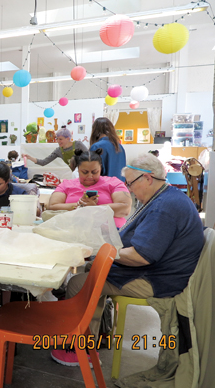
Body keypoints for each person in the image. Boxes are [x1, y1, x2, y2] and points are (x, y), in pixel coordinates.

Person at [51, 154, 204, 367]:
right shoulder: (165, 197)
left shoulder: (164, 207)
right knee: (89, 267)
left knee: (79, 283)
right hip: (160, 271)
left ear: (148, 178)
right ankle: (93, 335)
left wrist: (100, 249)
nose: (129, 189)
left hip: (157, 279)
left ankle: (79, 350)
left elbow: (142, 256)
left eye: (131, 183)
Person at [47, 149, 131, 228]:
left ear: (100, 168)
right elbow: (52, 207)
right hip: (72, 232)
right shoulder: (66, 185)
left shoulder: (113, 183)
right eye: (85, 172)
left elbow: (125, 208)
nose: (90, 176)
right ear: (78, 169)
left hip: (111, 233)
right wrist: (79, 205)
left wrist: (95, 208)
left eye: (95, 172)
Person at [22, 127, 87, 169]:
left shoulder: (78, 144)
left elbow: (90, 157)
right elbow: (43, 162)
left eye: (60, 139)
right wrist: (30, 157)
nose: (58, 141)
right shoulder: (59, 151)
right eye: (57, 139)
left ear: (67, 138)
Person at [90, 117, 126, 182]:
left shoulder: (96, 146)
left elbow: (91, 173)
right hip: (119, 187)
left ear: (95, 130)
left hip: (104, 188)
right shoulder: (119, 147)